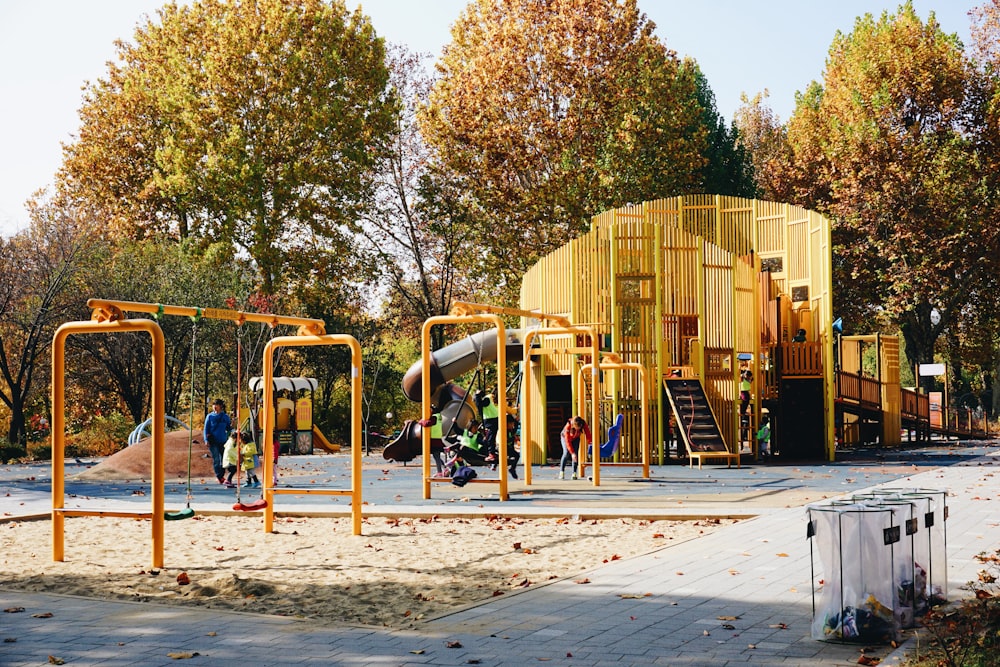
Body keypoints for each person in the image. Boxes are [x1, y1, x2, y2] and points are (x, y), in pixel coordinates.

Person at [203, 398, 232, 484]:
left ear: (221, 406)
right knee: (216, 459)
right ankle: (219, 476)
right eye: (214, 405)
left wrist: (232, 425)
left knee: (223, 458)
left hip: (223, 441)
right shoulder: (210, 416)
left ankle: (222, 474)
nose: (215, 407)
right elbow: (206, 429)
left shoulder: (225, 417)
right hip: (213, 441)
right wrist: (206, 439)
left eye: (217, 405)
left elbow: (228, 428)